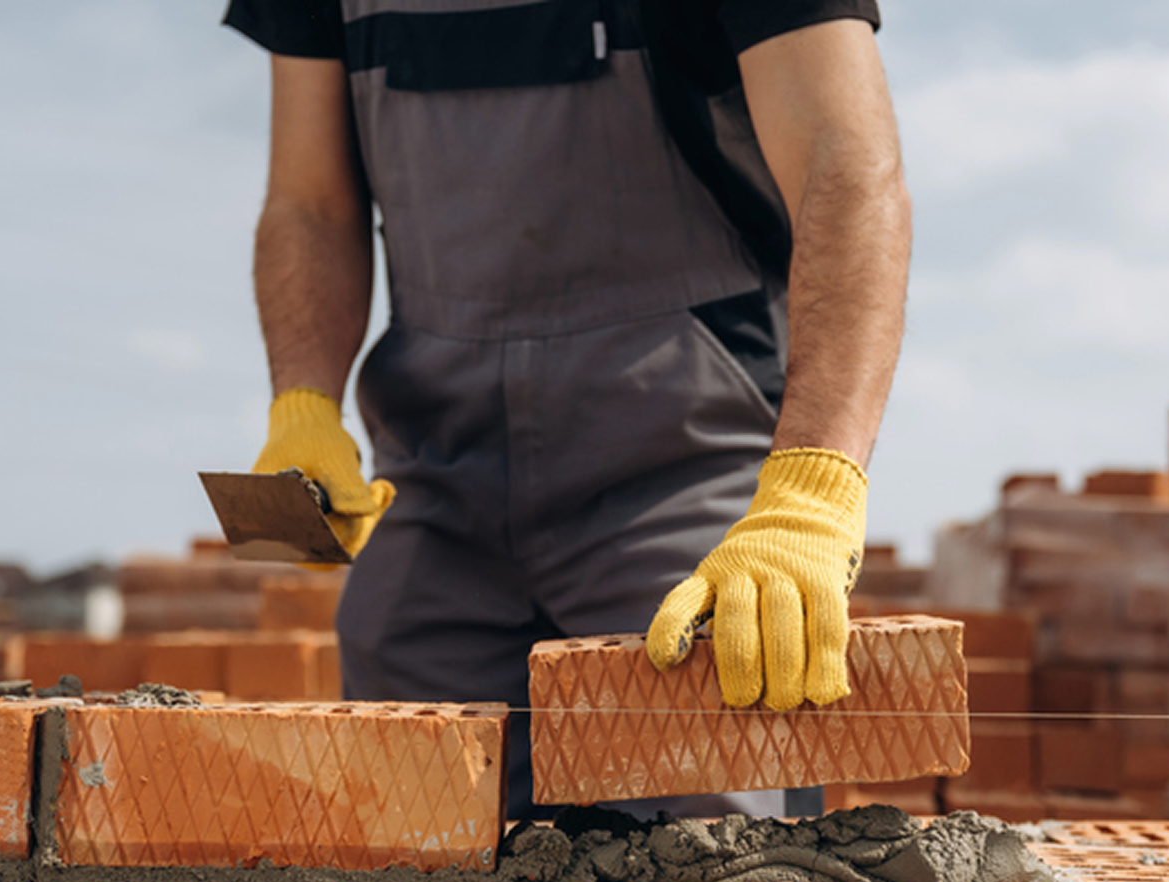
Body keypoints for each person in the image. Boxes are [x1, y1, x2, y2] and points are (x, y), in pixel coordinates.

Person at [226, 0, 911, 819]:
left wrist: (815, 483)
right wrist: (303, 406)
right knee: (406, 852)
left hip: (681, 467)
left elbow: (847, 164)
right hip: (435, 476)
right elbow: (308, 203)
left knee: (713, 881)